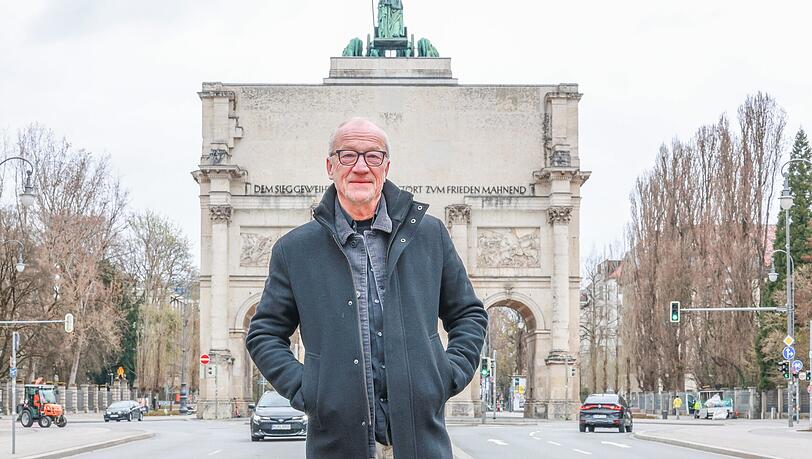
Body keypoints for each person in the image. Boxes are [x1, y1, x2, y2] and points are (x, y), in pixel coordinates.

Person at [247, 117, 488, 459]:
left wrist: (445, 375)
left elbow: (469, 314)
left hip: (421, 443)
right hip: (336, 445)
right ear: (330, 167)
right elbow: (264, 334)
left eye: (373, 156)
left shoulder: (430, 236)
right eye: (347, 155)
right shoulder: (294, 250)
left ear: (386, 167)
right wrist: (308, 389)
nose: (361, 167)